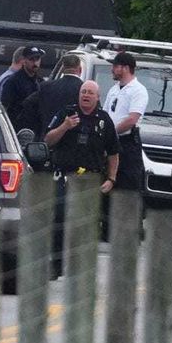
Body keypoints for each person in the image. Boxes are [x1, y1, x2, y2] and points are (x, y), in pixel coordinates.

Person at [46, 80, 120, 275]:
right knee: (60, 220)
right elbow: (48, 140)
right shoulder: (66, 113)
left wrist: (111, 179)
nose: (85, 95)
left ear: (97, 97)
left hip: (90, 180)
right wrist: (64, 127)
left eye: (90, 93)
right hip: (64, 177)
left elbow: (113, 153)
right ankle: (57, 264)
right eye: (83, 92)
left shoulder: (104, 120)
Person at [103, 52, 148, 191]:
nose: (112, 69)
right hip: (111, 143)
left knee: (127, 183)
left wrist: (111, 133)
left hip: (127, 143)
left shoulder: (138, 90)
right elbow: (105, 114)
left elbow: (132, 119)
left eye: (116, 66)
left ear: (126, 68)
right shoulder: (113, 90)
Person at [20, 54, 83, 138]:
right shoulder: (84, 90)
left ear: (63, 69)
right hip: (74, 139)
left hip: (47, 138)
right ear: (80, 69)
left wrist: (38, 128)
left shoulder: (46, 86)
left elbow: (28, 103)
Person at [0, 46, 44, 129]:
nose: (35, 63)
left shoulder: (41, 82)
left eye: (37, 59)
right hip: (17, 127)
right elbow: (4, 107)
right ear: (24, 60)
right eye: (31, 59)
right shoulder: (13, 81)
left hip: (36, 128)